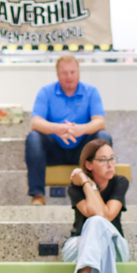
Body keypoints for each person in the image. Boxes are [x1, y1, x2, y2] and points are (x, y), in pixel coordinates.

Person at [56, 140, 129, 273]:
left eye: (112, 158)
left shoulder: (120, 182)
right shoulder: (75, 188)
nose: (110, 164)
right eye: (103, 160)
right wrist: (86, 184)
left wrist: (88, 182)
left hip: (117, 245)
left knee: (99, 227)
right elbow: (94, 213)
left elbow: (106, 215)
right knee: (99, 234)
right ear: (89, 164)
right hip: (78, 246)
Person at [25, 55, 112, 205]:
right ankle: (37, 196)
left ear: (79, 73)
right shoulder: (46, 92)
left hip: (83, 152)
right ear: (58, 74)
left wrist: (81, 129)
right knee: (33, 137)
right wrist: (57, 128)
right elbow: (35, 122)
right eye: (64, 73)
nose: (69, 76)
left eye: (73, 72)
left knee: (103, 137)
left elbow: (100, 121)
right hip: (54, 151)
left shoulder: (91, 92)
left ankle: (101, 194)